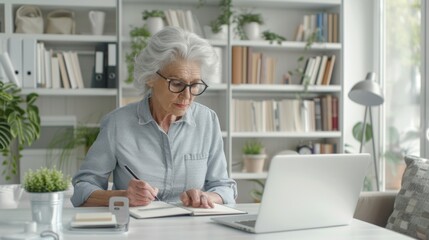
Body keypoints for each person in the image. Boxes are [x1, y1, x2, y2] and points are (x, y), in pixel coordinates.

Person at [71, 26, 237, 208]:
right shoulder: (118, 124)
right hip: (137, 231)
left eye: (195, 85)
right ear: (150, 77)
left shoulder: (207, 121)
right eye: (176, 83)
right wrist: (124, 196)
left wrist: (206, 197)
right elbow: (82, 188)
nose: (187, 96)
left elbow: (224, 187)